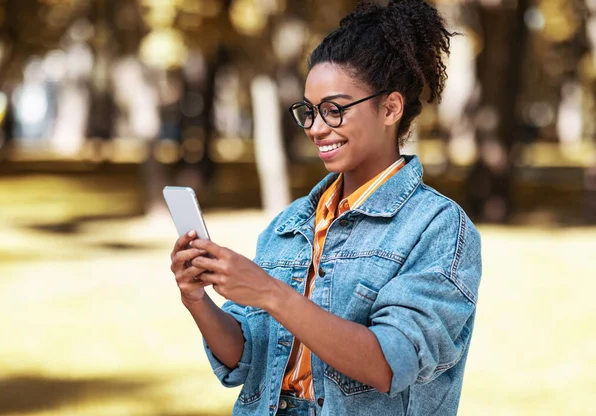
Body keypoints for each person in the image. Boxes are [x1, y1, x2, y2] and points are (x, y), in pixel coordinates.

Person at [169, 1, 482, 415]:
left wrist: (269, 292)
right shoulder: (292, 223)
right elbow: (242, 359)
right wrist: (196, 297)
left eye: (334, 110)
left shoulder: (437, 228)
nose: (316, 128)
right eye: (310, 111)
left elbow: (389, 363)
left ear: (390, 108)